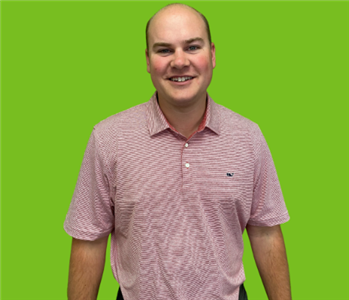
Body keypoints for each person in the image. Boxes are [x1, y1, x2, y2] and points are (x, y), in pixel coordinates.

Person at [64, 3, 292, 300]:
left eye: (192, 47)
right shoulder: (109, 138)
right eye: (164, 50)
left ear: (212, 54)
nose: (179, 61)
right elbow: (88, 239)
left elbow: (265, 232)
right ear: (148, 61)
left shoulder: (248, 137)